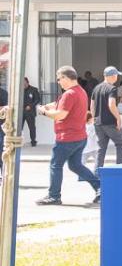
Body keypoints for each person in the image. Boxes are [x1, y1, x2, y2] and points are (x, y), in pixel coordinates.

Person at [35, 66, 101, 206]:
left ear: (66, 78)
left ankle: (54, 196)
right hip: (79, 136)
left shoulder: (69, 94)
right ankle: (100, 188)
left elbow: (61, 114)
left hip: (67, 137)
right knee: (76, 165)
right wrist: (48, 106)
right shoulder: (80, 92)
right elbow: (61, 106)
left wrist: (43, 112)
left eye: (59, 79)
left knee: (55, 165)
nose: (58, 82)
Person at [92, 65, 122, 168]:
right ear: (112, 76)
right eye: (116, 75)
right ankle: (120, 170)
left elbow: (92, 105)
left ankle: (97, 173)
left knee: (101, 149)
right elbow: (111, 104)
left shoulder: (96, 88)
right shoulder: (112, 88)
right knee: (120, 145)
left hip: (98, 123)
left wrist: (94, 118)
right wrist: (118, 118)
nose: (117, 77)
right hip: (110, 123)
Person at [20, 77, 39, 147]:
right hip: (20, 112)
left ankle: (33, 142)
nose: (23, 85)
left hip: (30, 112)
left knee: (32, 127)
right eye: (22, 83)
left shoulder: (34, 89)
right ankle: (19, 141)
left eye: (24, 83)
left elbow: (37, 100)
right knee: (19, 128)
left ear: (27, 82)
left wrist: (30, 106)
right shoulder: (19, 90)